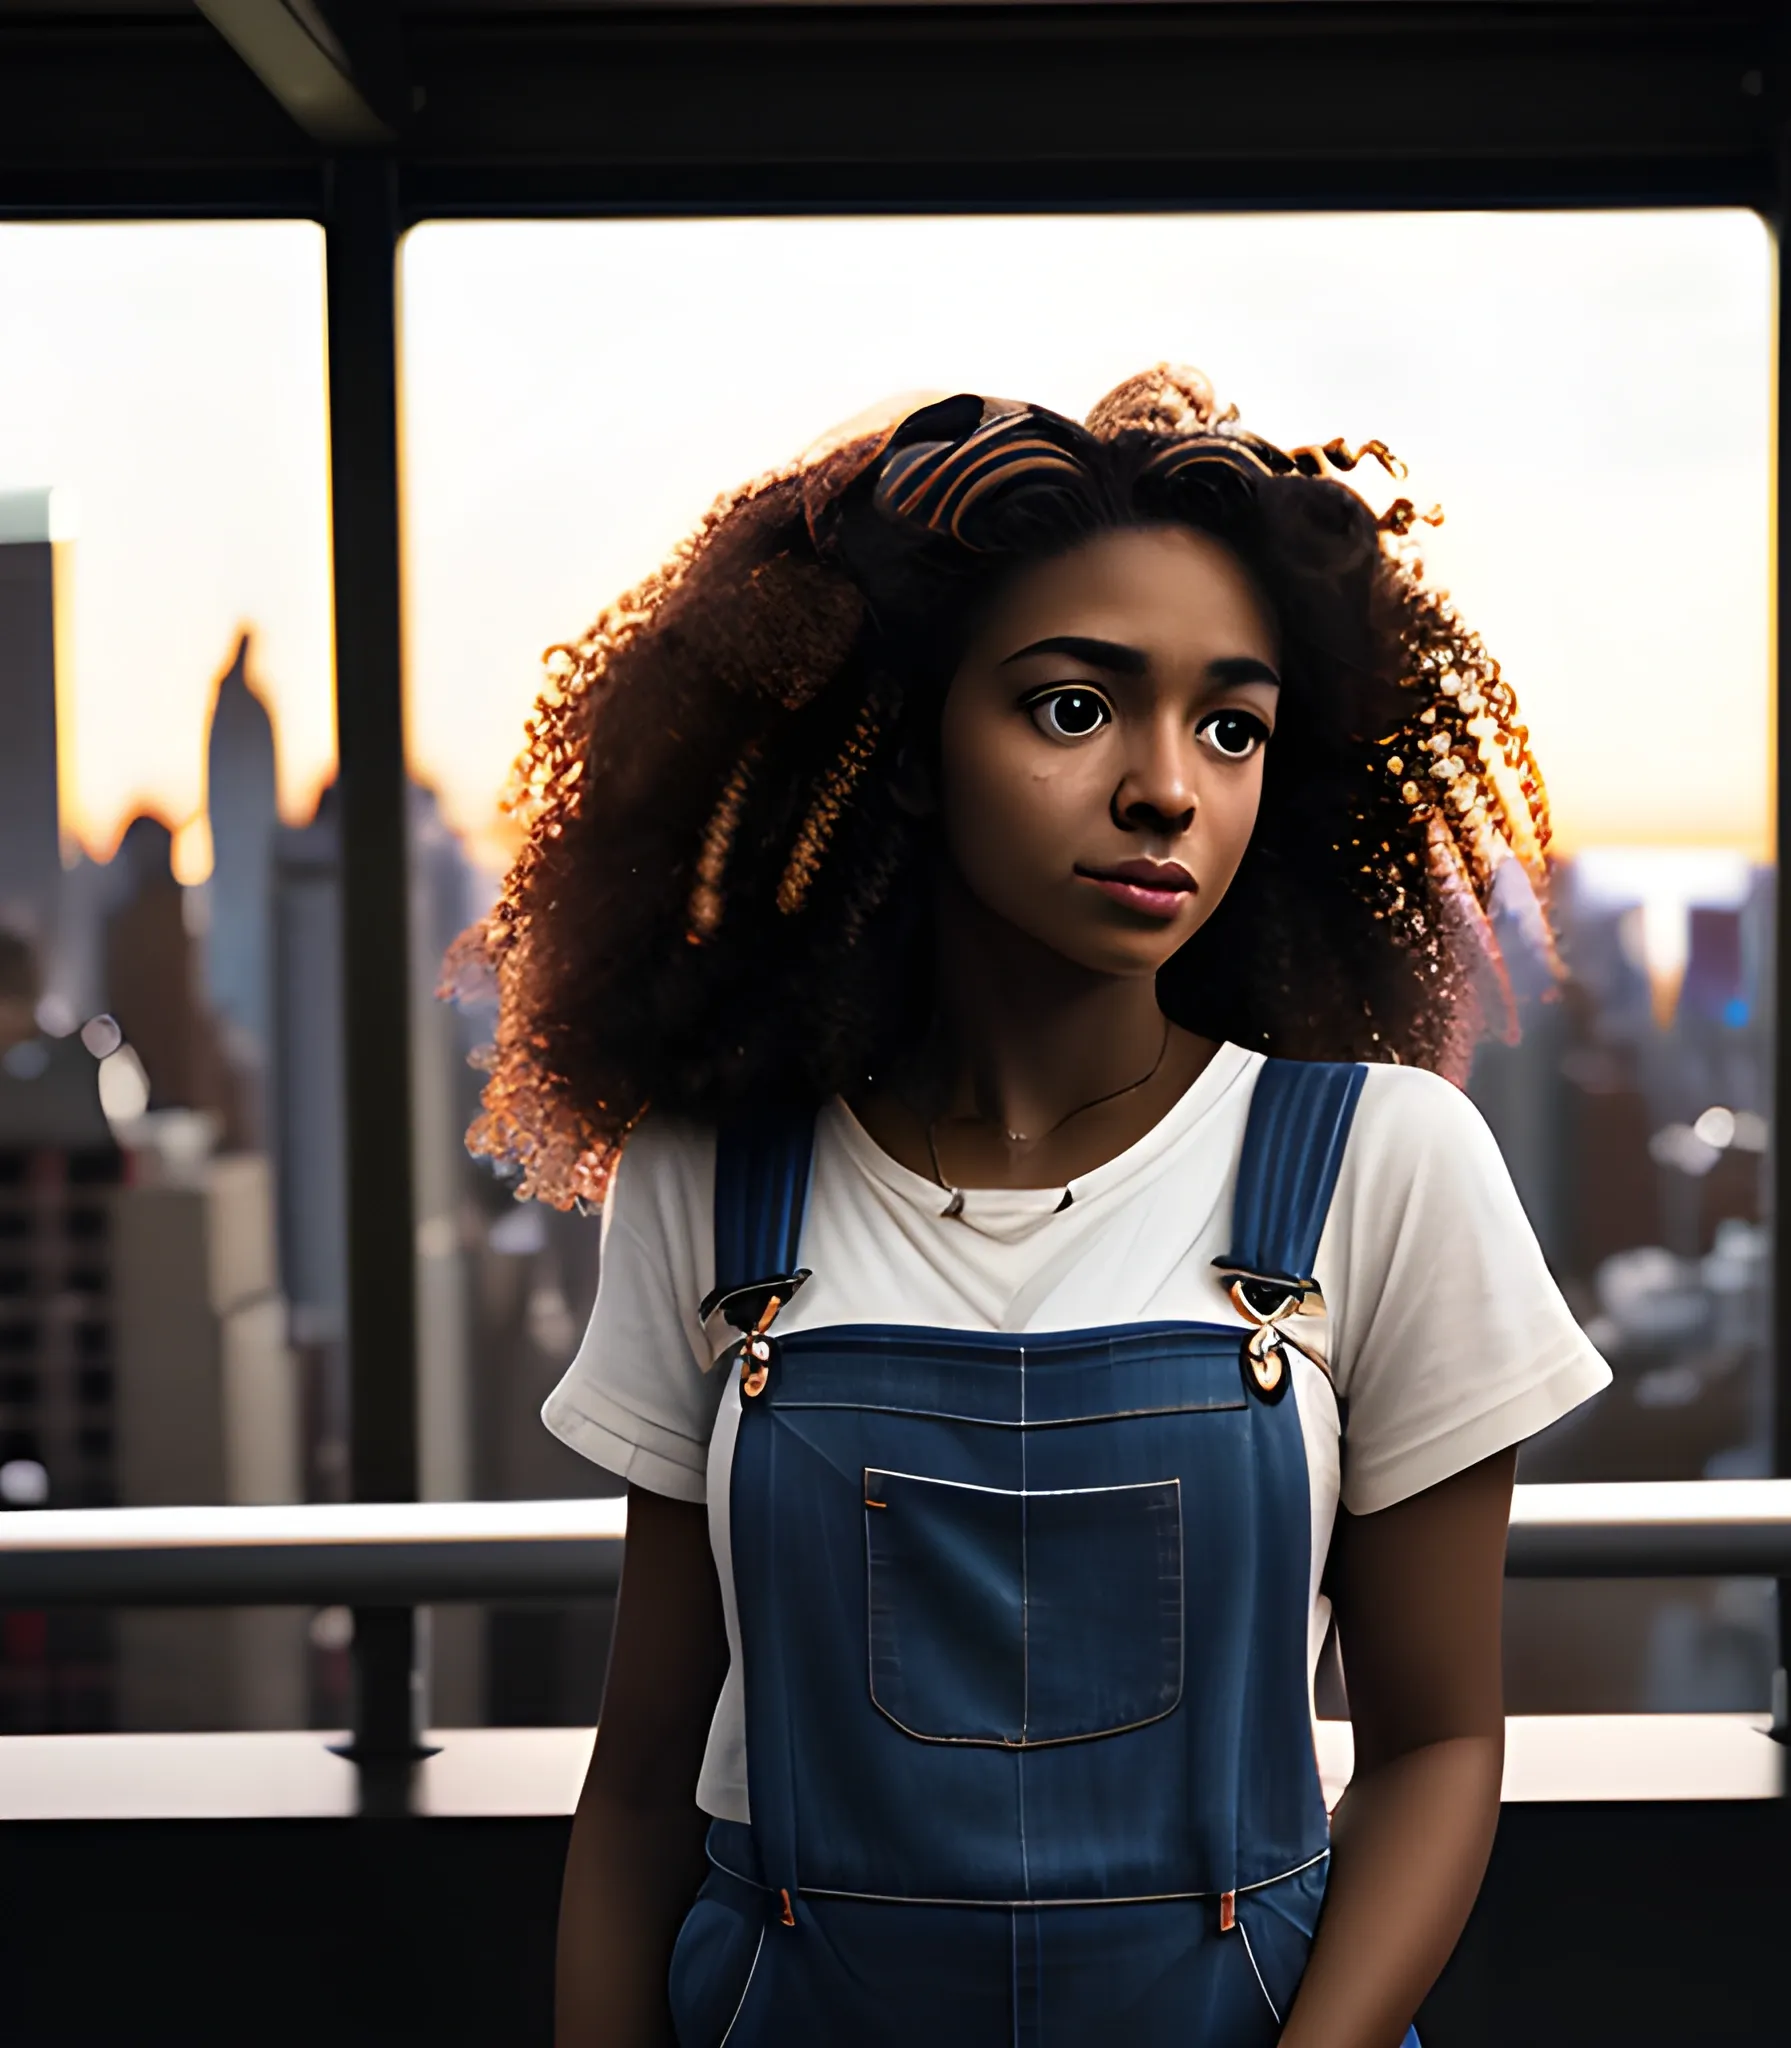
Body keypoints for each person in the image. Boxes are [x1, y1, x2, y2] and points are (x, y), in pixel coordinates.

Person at [461, 365, 1611, 2048]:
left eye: (1232, 725)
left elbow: (1442, 1742)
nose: (1168, 788)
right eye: (1076, 708)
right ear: (905, 752)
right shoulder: (712, 1180)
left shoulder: (1386, 1163)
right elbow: (638, 1782)